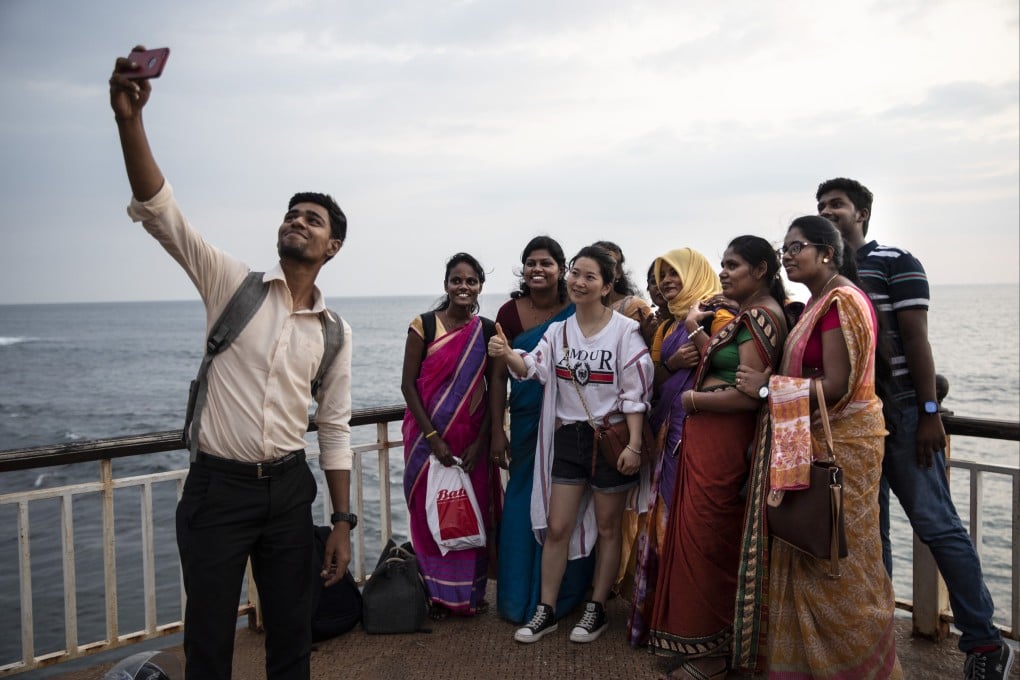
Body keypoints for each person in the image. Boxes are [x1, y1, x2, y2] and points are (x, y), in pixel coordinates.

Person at [110, 49, 354, 680]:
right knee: (210, 645)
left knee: (292, 639)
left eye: (313, 220)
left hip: (289, 491)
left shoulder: (333, 330)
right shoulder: (232, 285)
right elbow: (164, 216)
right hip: (217, 491)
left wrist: (344, 523)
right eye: (292, 214)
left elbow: (333, 429)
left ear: (332, 247)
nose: (297, 222)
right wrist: (129, 121)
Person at [816, 177, 1013, 679]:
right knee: (869, 535)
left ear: (861, 213)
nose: (827, 212)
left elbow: (916, 340)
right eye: (821, 206)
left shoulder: (896, 261)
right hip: (851, 420)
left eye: (836, 205)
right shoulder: (827, 275)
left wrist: (929, 414)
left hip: (901, 413)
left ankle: (985, 645)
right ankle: (877, 640)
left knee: (937, 525)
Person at [736, 216, 902, 678]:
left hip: (842, 444)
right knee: (806, 546)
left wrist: (770, 388)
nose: (787, 256)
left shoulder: (839, 302)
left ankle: (850, 667)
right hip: (818, 438)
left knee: (836, 559)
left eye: (797, 247)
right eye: (784, 248)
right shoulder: (817, 302)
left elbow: (835, 385)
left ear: (827, 251)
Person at [487, 245, 653, 645]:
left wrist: (633, 445)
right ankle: (546, 610)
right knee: (557, 526)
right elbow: (535, 368)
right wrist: (509, 355)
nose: (578, 282)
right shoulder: (558, 331)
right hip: (568, 439)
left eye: (589, 276)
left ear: (607, 286)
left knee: (609, 529)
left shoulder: (624, 332)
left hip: (609, 440)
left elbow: (635, 393)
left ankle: (595, 609)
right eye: (575, 273)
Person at [648, 238, 788, 679]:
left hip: (725, 439)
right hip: (710, 438)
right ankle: (701, 642)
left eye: (734, 265)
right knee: (697, 536)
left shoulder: (763, 315)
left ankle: (714, 653)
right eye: (723, 264)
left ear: (761, 269)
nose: (724, 272)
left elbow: (749, 396)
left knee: (710, 541)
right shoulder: (748, 313)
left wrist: (693, 401)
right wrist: (693, 327)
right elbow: (722, 362)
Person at [488, 237, 596, 624]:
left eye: (546, 263)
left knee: (566, 501)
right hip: (525, 415)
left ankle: (560, 595)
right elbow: (498, 374)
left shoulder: (576, 309)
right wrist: (497, 432)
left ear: (560, 268)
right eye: (530, 262)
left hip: (567, 417)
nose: (538, 269)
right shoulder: (510, 312)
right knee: (521, 497)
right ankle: (518, 598)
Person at [626, 247, 726, 647]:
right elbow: (650, 379)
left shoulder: (717, 316)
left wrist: (696, 342)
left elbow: (729, 367)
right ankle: (664, 619)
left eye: (674, 273)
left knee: (692, 529)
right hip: (666, 435)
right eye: (661, 274)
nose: (666, 281)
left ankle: (694, 626)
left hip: (700, 437)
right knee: (664, 527)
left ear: (696, 274)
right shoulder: (668, 327)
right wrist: (675, 363)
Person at [401, 253, 498, 618]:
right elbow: (408, 385)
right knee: (428, 515)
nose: (463, 287)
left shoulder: (487, 331)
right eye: (457, 280)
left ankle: (468, 596)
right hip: (426, 441)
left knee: (469, 512)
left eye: (471, 281)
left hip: (469, 440)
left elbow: (493, 390)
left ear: (479, 288)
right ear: (446, 285)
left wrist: (481, 441)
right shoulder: (423, 325)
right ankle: (437, 596)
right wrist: (432, 437)